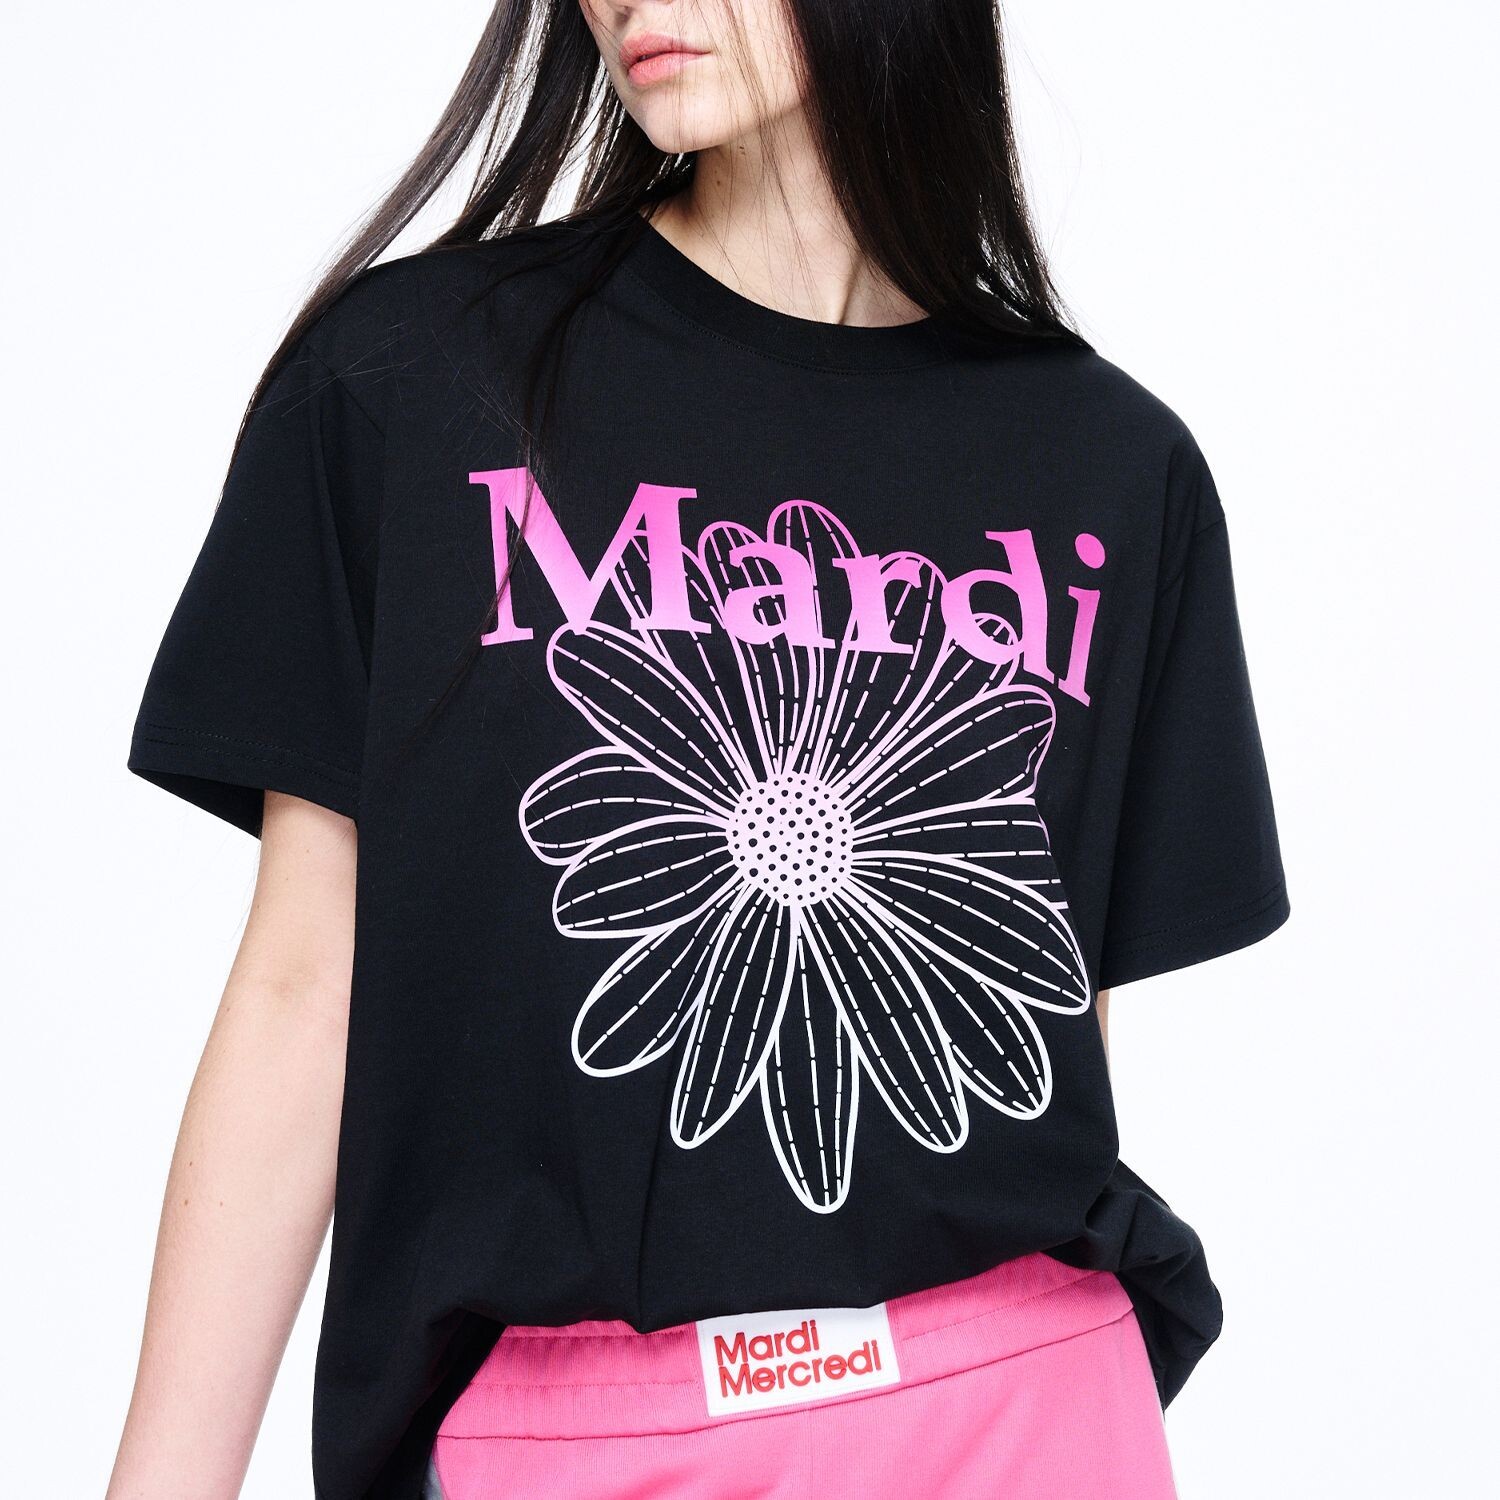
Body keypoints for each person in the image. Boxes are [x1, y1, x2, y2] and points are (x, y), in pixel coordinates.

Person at [108, 2, 1289, 1497]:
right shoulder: (411, 382)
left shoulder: (1117, 466)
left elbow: (1042, 1016)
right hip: (581, 1437)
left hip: (1023, 1408)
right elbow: (302, 981)